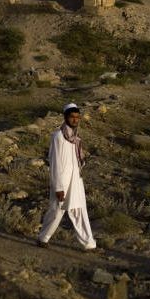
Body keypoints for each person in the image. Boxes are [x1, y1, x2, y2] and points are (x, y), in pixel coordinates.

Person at [37, 103, 96, 251]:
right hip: (62, 181)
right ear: (65, 118)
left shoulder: (76, 138)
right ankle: (43, 238)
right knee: (56, 210)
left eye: (77, 117)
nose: (75, 120)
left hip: (75, 180)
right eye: (72, 117)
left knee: (79, 209)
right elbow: (55, 162)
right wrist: (58, 186)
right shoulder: (58, 136)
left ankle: (89, 244)